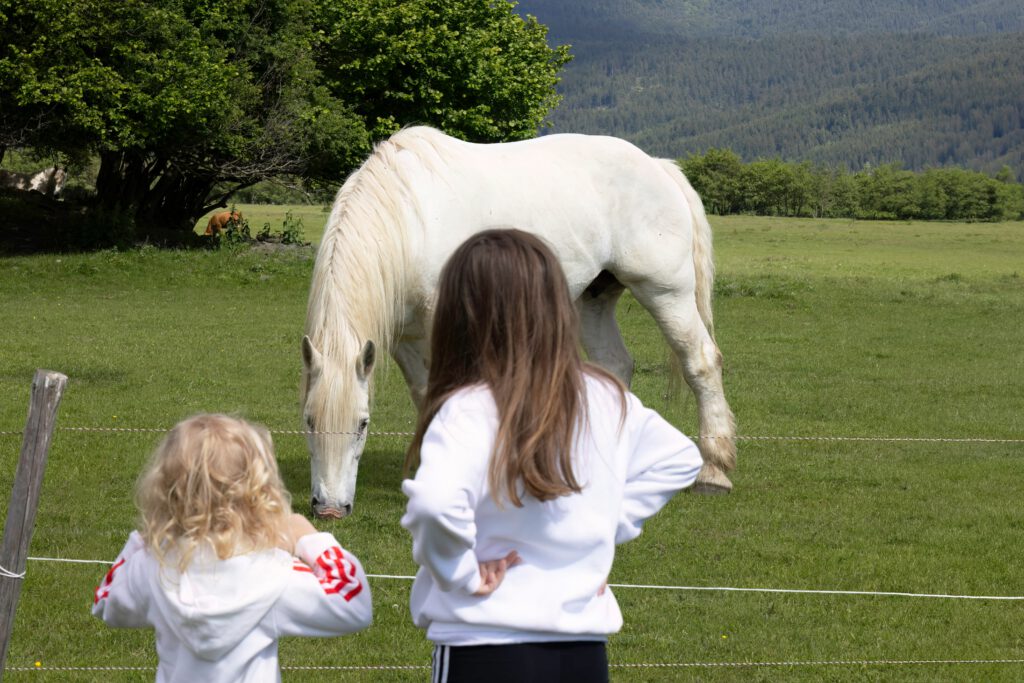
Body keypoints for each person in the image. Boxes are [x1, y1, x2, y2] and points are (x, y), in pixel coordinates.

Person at [401, 229, 704, 683]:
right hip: (582, 652)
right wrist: (608, 522)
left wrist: (462, 575)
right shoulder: (604, 395)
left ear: (461, 315)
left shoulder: (468, 410)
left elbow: (434, 503)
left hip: (483, 645)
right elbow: (678, 457)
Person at [92, 414, 372, 682]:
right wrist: (307, 536)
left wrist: (146, 538)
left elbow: (107, 601)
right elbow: (352, 601)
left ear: (167, 490)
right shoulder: (274, 574)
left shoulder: (153, 566)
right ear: (258, 493)